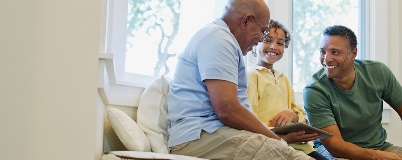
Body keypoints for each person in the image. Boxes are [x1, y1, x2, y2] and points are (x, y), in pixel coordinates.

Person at [167, 0, 313, 159]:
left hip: (216, 133)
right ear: (245, 21)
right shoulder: (218, 39)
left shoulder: (225, 41)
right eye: (263, 32)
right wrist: (277, 141)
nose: (260, 40)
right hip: (199, 136)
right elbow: (227, 110)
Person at [304, 25, 402, 160]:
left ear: (353, 53)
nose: (326, 59)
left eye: (335, 52)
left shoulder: (378, 72)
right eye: (323, 51)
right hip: (336, 153)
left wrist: (383, 154)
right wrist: (379, 157)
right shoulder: (314, 90)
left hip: (379, 147)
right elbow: (335, 146)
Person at [247, 19, 327, 160]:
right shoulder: (251, 76)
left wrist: (292, 114)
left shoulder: (283, 79)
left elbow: (301, 115)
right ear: (254, 45)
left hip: (300, 146)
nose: (274, 46)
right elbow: (248, 121)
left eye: (280, 43)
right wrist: (285, 137)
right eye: (267, 40)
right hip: (273, 146)